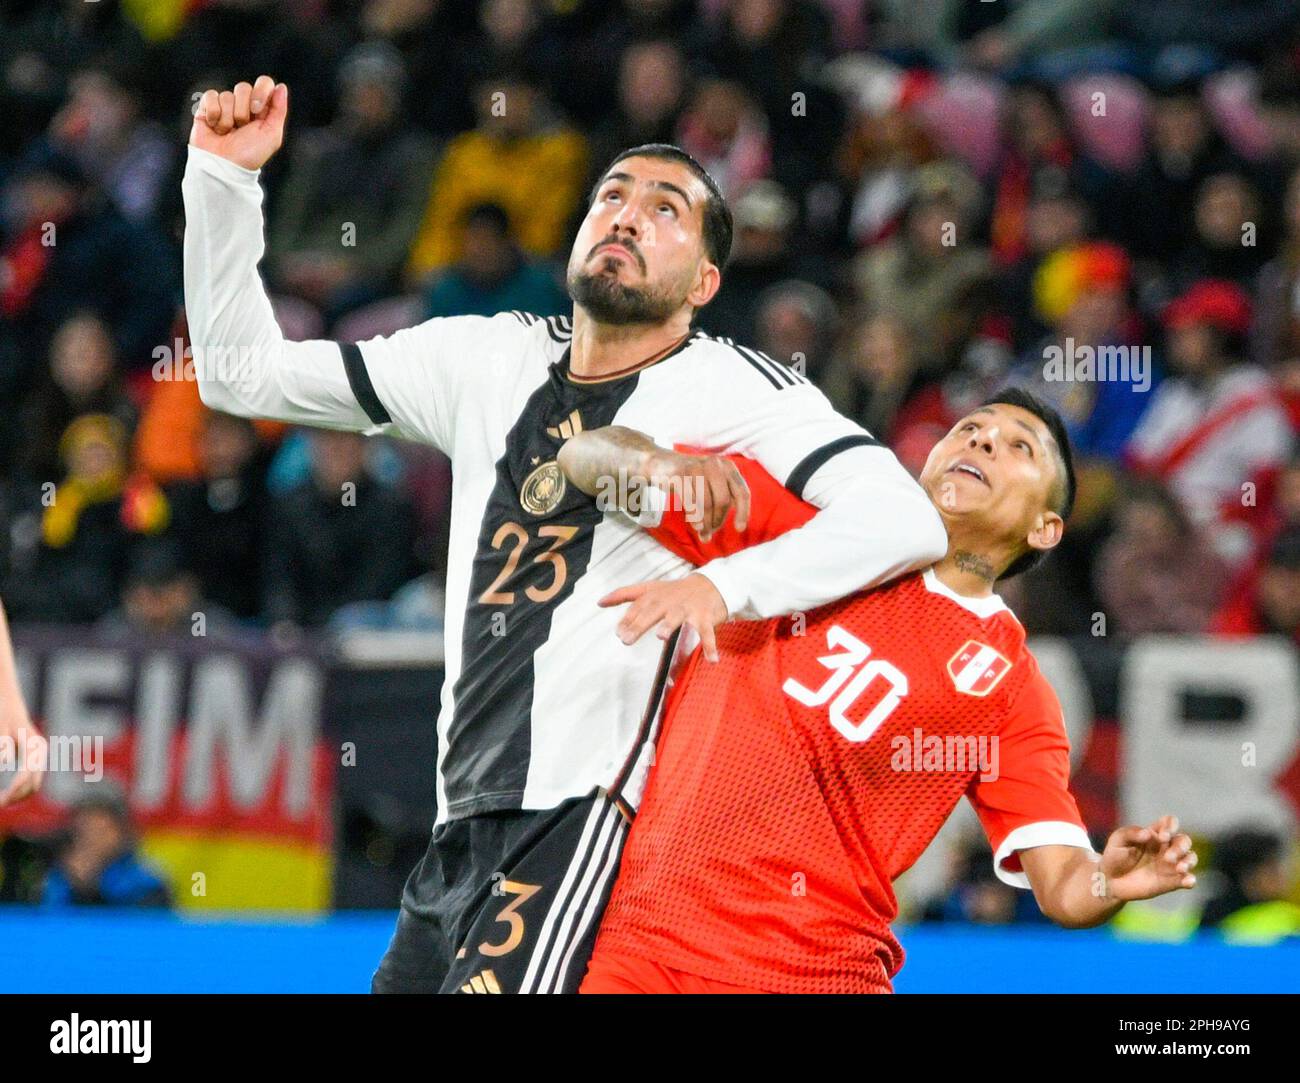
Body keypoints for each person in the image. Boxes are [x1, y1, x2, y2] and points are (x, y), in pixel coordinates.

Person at [183, 76, 946, 994]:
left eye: (667, 209)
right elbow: (239, 375)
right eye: (613, 196)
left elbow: (904, 518)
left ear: (704, 281)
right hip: (460, 822)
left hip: (585, 816)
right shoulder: (484, 357)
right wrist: (222, 184)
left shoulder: (740, 385)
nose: (627, 215)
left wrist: (723, 589)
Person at [555, 389, 1197, 993]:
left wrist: (1107, 880)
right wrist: (654, 463)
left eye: (1019, 446)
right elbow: (583, 456)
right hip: (643, 949)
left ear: (1046, 529)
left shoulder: (1012, 687)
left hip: (817, 971)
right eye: (969, 429)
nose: (981, 442)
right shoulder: (802, 526)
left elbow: (1063, 885)